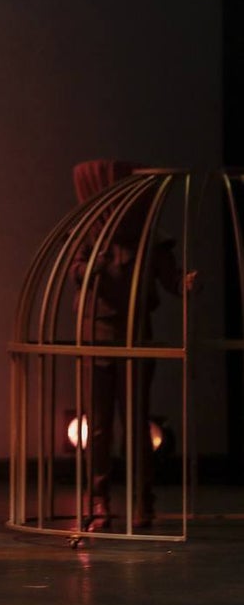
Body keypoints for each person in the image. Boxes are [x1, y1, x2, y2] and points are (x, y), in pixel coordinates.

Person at [70, 160, 194, 531]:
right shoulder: (89, 233)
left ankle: (143, 501)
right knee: (99, 427)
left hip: (136, 334)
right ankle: (99, 500)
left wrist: (185, 283)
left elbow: (171, 279)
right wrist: (92, 266)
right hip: (97, 336)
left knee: (138, 425)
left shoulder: (149, 237)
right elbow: (75, 269)